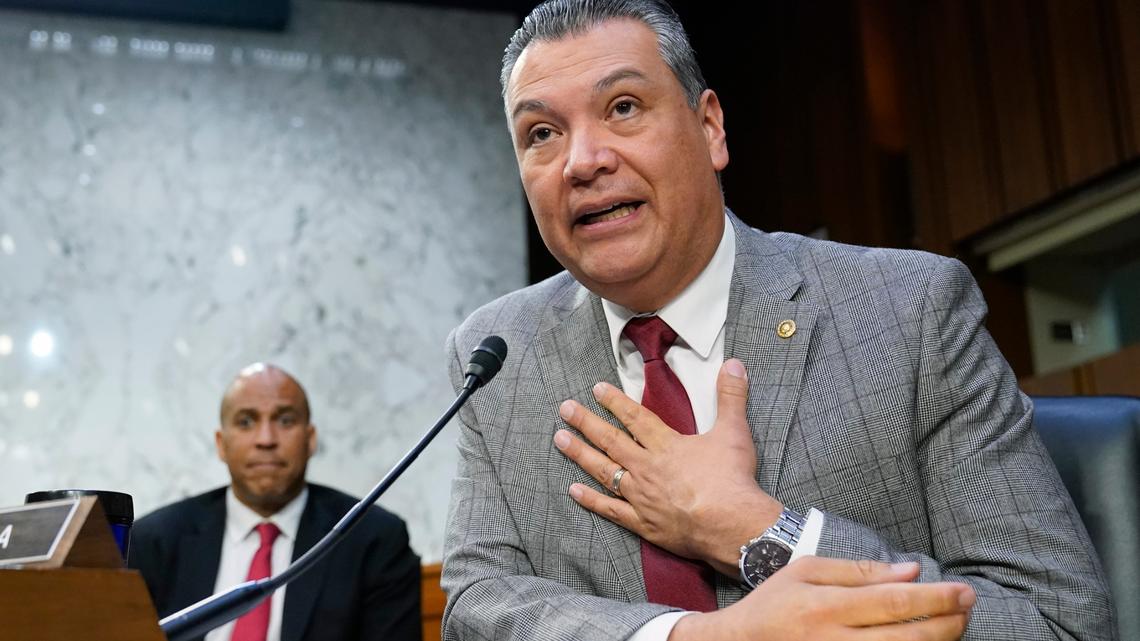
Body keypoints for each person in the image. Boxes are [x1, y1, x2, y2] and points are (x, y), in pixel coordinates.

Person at [440, 1, 1115, 640]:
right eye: (542, 134)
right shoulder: (498, 355)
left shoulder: (910, 308)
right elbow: (477, 607)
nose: (583, 161)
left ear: (710, 128)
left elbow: (1055, 621)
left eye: (622, 107)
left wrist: (762, 534)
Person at [129, 363, 421, 641]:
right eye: (246, 422)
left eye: (285, 420)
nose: (266, 439)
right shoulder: (153, 541)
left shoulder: (372, 539)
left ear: (310, 440)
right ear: (221, 443)